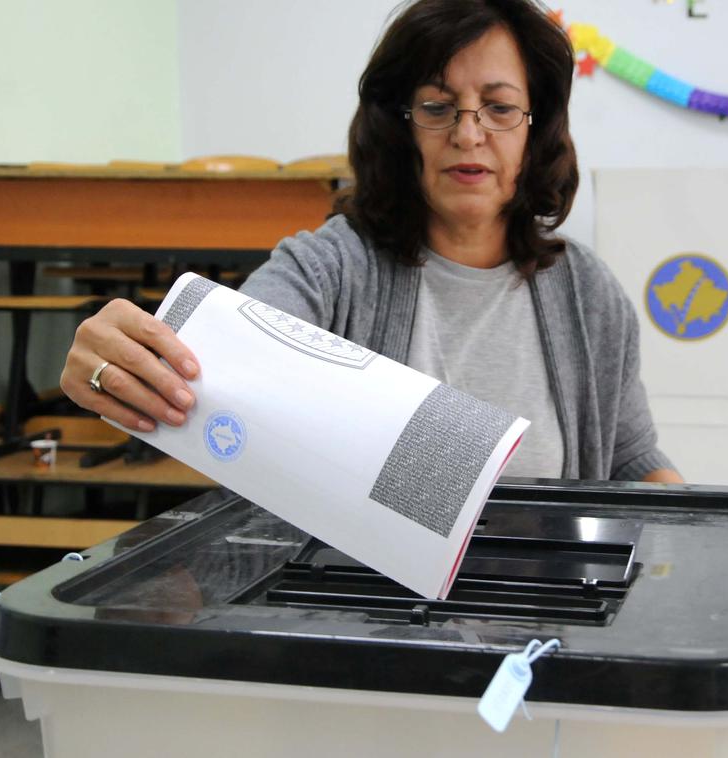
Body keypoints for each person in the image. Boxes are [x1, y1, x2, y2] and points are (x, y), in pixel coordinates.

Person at [60, 0, 681, 483]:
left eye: (498, 108)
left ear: (535, 129)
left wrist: (706, 537)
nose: (469, 134)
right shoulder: (331, 268)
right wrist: (114, 357)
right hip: (364, 623)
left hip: (541, 625)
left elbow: (630, 456)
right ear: (400, 127)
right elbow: (218, 366)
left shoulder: (588, 293)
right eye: (438, 107)